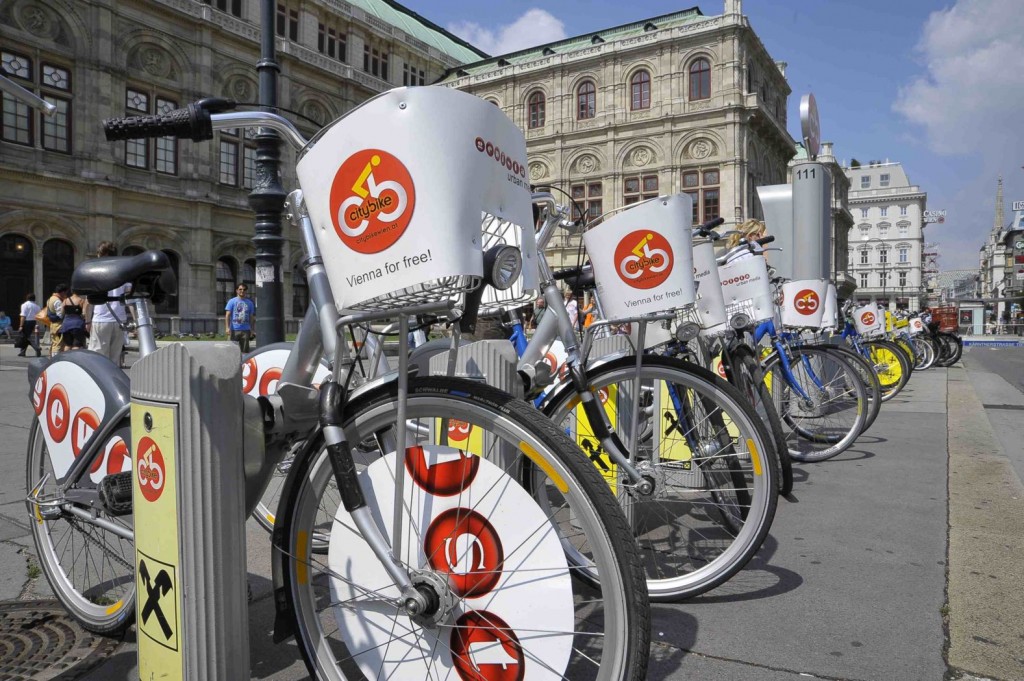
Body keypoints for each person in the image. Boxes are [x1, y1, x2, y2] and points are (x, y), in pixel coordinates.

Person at [87, 241, 133, 363]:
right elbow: (129, 299)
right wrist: (136, 320)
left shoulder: (94, 271)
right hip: (119, 320)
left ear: (104, 254)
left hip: (101, 319)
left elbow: (89, 300)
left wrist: (87, 320)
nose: (97, 256)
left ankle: (97, 381)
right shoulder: (123, 272)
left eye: (98, 253)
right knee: (115, 358)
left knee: (97, 357)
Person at [225, 283, 256, 353]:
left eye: (244, 289)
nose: (242, 291)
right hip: (234, 330)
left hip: (246, 330)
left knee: (245, 351)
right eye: (240, 289)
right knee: (232, 351)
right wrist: (227, 328)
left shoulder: (250, 303)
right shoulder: (232, 301)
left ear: (246, 291)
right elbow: (227, 315)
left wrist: (252, 330)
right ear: (237, 290)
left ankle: (243, 364)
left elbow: (252, 317)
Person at [45, 283, 69, 357]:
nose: (66, 294)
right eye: (66, 292)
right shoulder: (57, 301)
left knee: (55, 343)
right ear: (62, 292)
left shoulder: (50, 299)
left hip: (53, 325)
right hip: (58, 325)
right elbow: (60, 315)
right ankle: (56, 359)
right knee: (58, 344)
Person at [17, 293, 42, 357]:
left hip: (27, 322)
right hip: (33, 322)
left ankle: (37, 348)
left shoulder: (25, 305)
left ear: (27, 298)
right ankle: (22, 352)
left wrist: (21, 325)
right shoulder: (37, 306)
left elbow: (23, 316)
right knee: (25, 337)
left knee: (27, 337)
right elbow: (38, 316)